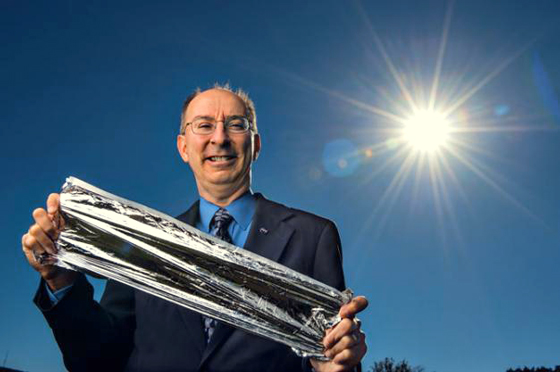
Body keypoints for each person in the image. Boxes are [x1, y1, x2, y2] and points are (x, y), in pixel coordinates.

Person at [22, 85, 368, 372]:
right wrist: (60, 280)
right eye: (204, 125)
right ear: (183, 147)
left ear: (255, 145)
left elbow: (333, 352)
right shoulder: (142, 242)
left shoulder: (311, 235)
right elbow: (97, 359)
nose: (219, 138)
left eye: (236, 124)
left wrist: (340, 361)